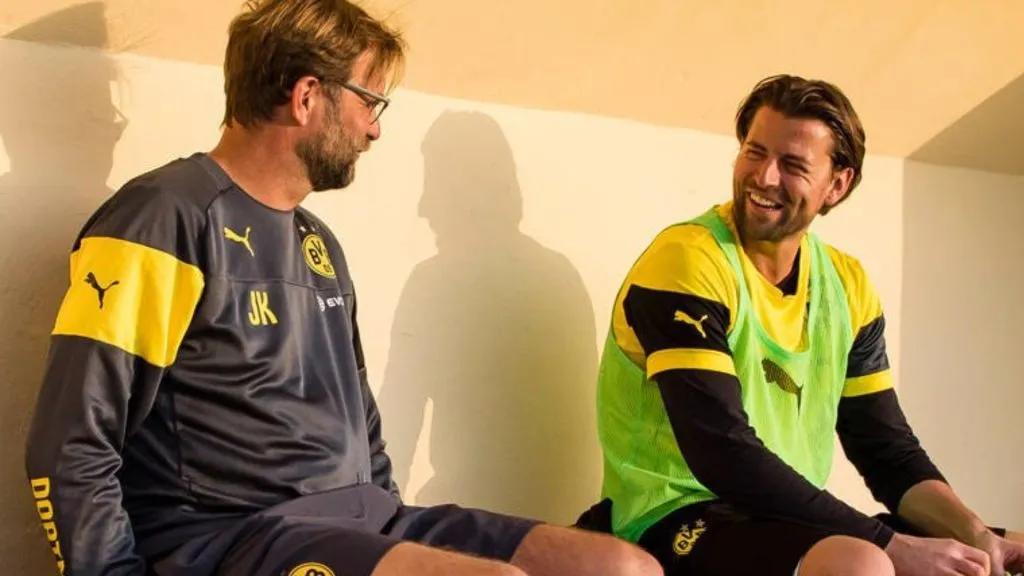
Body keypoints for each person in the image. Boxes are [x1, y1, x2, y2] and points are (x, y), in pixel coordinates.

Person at [22, 1, 663, 576]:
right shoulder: (161, 219)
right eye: (370, 102)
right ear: (307, 97)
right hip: (234, 536)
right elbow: (70, 439)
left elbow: (360, 419)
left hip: (364, 518)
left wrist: (391, 522)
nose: (375, 129)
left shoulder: (318, 243)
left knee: (617, 565)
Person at [577, 74, 1024, 576]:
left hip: (779, 519)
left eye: (791, 165)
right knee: (862, 562)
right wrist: (892, 545)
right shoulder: (687, 261)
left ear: (837, 184)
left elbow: (886, 450)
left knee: (1003, 546)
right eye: (754, 152)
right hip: (671, 519)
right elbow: (721, 451)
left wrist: (977, 533)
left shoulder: (847, 285)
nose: (764, 178)